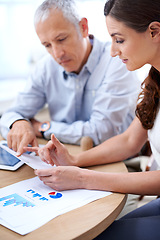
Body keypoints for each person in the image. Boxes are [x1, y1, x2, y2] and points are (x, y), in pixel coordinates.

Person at [24, 0, 160, 239]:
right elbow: (129, 140)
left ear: (154, 32)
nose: (113, 50)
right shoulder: (155, 82)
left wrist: (83, 178)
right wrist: (75, 160)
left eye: (119, 39)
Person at [0, 0, 140, 157]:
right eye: (47, 45)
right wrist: (19, 123)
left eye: (61, 39)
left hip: (116, 160)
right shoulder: (45, 67)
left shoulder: (118, 60)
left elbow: (102, 132)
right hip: (64, 157)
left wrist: (43, 127)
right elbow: (10, 114)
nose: (57, 53)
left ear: (83, 28)